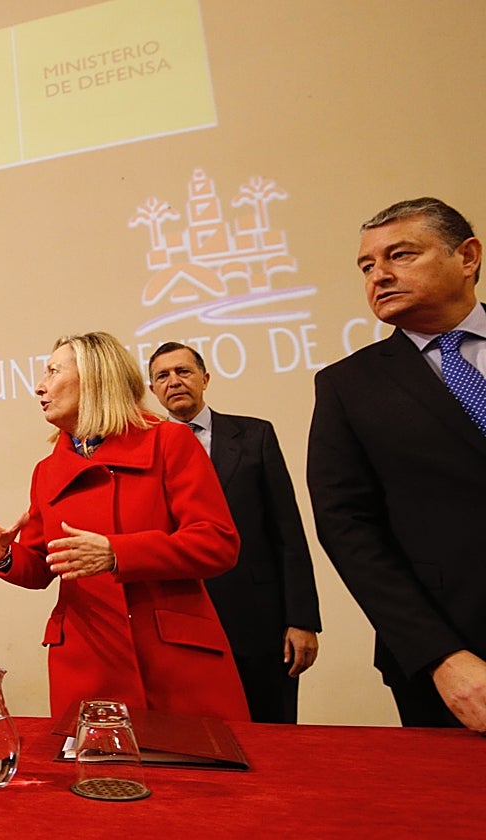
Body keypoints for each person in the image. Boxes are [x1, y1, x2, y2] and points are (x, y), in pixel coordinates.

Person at [0, 332, 249, 723]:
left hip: (172, 663)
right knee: (98, 781)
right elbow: (41, 566)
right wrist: (5, 558)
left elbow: (217, 543)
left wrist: (118, 553)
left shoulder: (169, 441)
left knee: (194, 779)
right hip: (88, 665)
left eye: (52, 371)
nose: (39, 386)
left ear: (95, 377)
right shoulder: (48, 471)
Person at [307, 197, 486, 730]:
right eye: (367, 266)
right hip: (457, 661)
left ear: (468, 257)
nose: (379, 276)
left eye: (400, 255)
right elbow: (347, 528)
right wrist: (440, 656)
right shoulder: (348, 386)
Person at [148, 342, 322, 723]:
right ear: (152, 390)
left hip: (258, 622)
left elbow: (287, 531)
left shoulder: (255, 435)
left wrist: (303, 619)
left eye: (183, 371)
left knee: (271, 737)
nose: (174, 381)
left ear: (205, 379)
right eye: (162, 376)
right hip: (181, 621)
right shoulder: (144, 450)